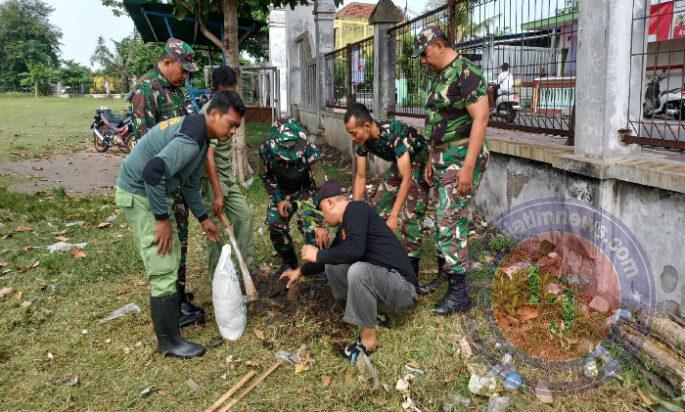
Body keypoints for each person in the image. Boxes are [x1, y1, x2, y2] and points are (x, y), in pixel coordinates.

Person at [115, 91, 246, 358]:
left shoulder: (200, 136)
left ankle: (172, 331)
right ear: (213, 114)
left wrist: (203, 218)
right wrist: (161, 219)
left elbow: (188, 183)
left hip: (150, 190)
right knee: (163, 264)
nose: (233, 131)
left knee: (171, 257)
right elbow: (153, 172)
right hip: (141, 193)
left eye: (237, 127)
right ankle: (169, 342)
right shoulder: (193, 136)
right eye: (231, 124)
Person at [280, 180, 418, 363]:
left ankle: (368, 341)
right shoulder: (347, 226)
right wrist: (301, 271)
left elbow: (355, 250)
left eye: (322, 209)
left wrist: (319, 254)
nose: (325, 218)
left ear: (330, 203)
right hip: (386, 285)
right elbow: (331, 257)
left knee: (358, 270)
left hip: (403, 289)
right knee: (333, 264)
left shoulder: (356, 209)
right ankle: (374, 314)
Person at [413, 25, 490, 315]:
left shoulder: (466, 72)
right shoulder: (441, 76)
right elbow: (437, 122)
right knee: (444, 216)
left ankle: (459, 294)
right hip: (444, 157)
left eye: (424, 53)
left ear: (439, 45)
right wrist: (432, 158)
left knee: (450, 219)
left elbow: (481, 118)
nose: (422, 60)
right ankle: (447, 274)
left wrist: (468, 167)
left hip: (462, 155)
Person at [128, 38, 203, 327]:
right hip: (159, 183)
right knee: (167, 245)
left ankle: (179, 296)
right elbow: (146, 148)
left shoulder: (176, 89)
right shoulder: (145, 91)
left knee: (181, 243)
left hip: (177, 182)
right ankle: (172, 307)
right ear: (167, 61)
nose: (186, 76)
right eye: (183, 69)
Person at [344, 102, 433, 278]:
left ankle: (411, 275)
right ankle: (381, 257)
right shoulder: (363, 142)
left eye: (354, 133)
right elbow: (361, 177)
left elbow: (407, 178)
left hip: (420, 161)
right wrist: (354, 213)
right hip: (400, 163)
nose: (353, 138)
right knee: (377, 207)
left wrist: (394, 215)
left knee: (410, 216)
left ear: (367, 126)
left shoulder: (394, 134)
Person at [200, 66, 256, 280]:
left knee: (245, 216)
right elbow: (208, 155)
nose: (231, 95)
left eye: (233, 90)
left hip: (227, 179)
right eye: (226, 91)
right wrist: (217, 193)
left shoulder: (229, 108)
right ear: (217, 90)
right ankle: (218, 277)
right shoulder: (212, 113)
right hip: (211, 181)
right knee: (214, 230)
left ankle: (247, 270)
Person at [259, 118, 329, 277]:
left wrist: (320, 222)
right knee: (275, 224)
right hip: (282, 191)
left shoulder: (310, 150)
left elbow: (320, 186)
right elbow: (266, 177)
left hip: (306, 189)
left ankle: (318, 266)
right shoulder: (266, 150)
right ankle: (289, 263)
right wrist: (278, 200)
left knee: (312, 228)